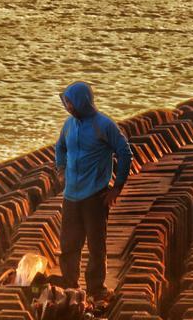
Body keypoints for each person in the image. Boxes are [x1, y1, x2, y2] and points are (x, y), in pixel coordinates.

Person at [54, 81, 133, 302]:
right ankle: (71, 284)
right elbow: (59, 147)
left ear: (82, 101)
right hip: (71, 195)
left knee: (96, 245)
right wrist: (61, 171)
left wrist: (117, 187)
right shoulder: (69, 125)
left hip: (95, 196)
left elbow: (125, 153)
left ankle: (95, 288)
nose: (67, 106)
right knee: (69, 244)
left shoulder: (104, 125)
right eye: (66, 102)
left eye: (70, 102)